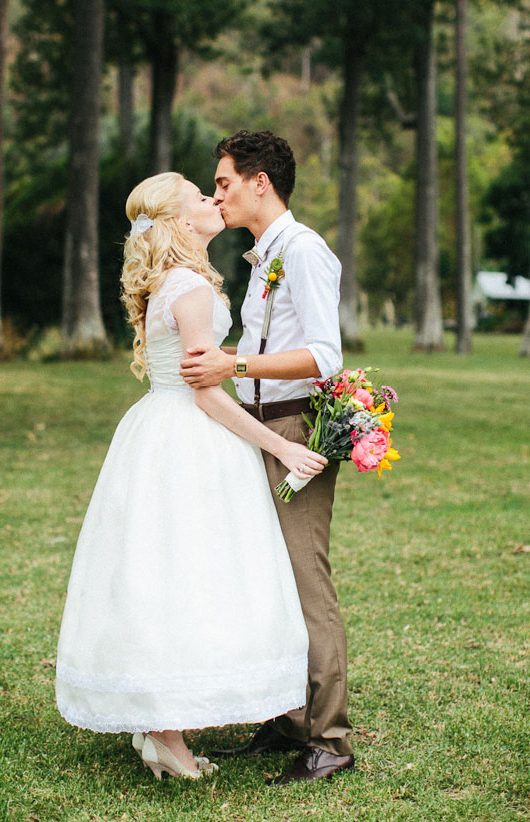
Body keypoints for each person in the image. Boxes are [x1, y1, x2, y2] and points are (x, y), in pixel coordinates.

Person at [55, 171, 328, 781]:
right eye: (202, 197)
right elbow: (206, 393)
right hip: (190, 437)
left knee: (161, 573)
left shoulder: (169, 282)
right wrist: (281, 449)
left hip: (154, 430)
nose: (214, 200)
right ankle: (165, 734)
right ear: (182, 222)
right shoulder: (192, 288)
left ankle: (158, 725)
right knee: (189, 573)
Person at [180, 130, 355, 786]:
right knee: (269, 577)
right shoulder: (263, 257)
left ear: (260, 182)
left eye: (223, 182)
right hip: (255, 427)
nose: (217, 195)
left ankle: (329, 740)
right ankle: (288, 719)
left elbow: (325, 356)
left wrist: (233, 366)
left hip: (293, 427)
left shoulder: (303, 251)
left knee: (305, 581)